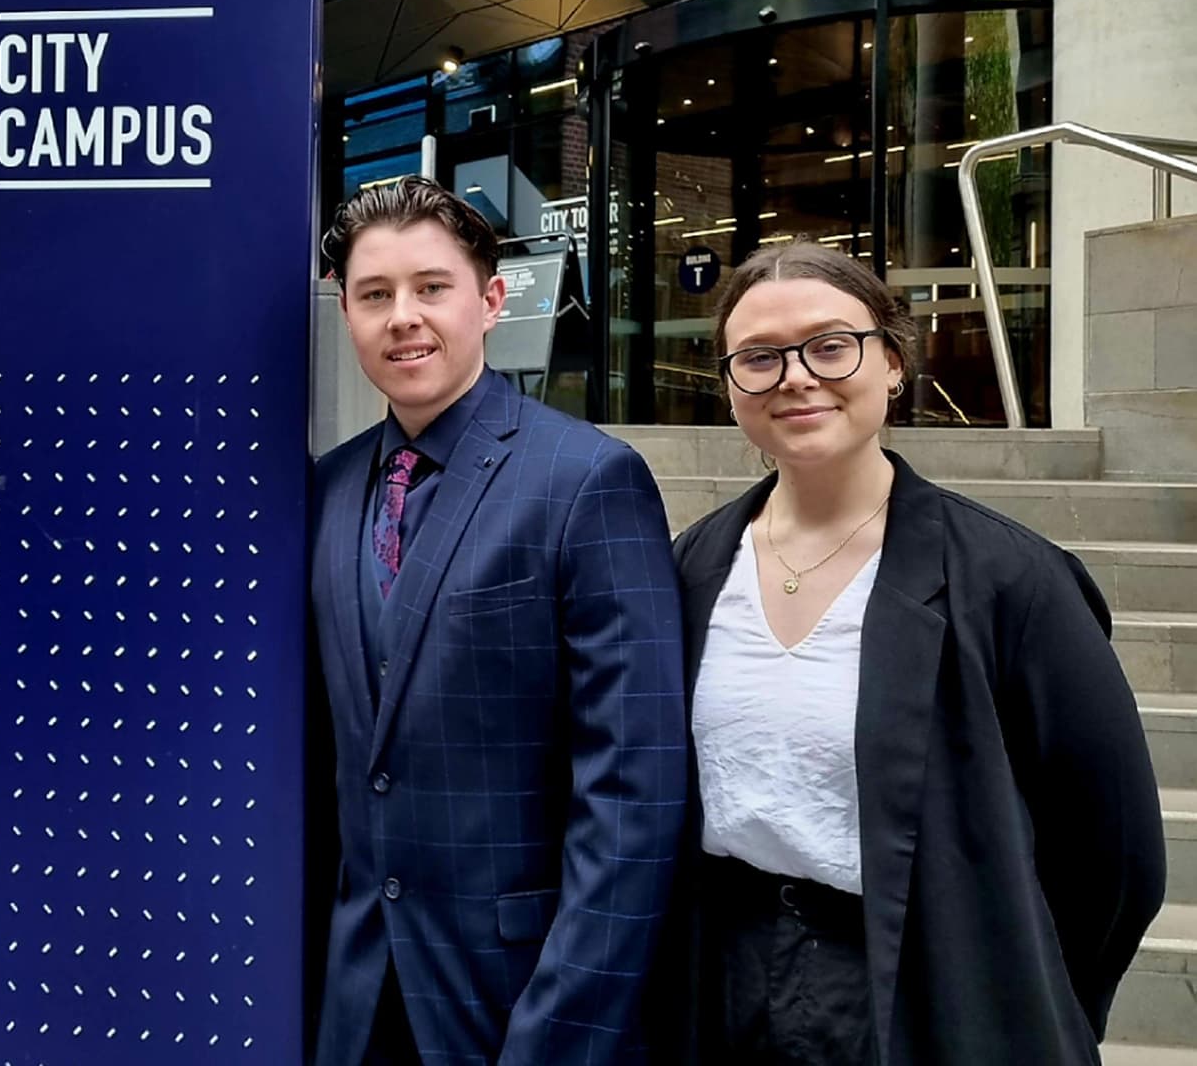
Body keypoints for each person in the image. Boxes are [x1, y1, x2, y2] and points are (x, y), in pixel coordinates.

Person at [654, 242, 1165, 1064]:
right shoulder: (691, 568)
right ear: (729, 385)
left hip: (933, 982)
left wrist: (1018, 990)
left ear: (891, 361)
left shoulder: (1009, 579)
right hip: (722, 980)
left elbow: (1115, 851)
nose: (795, 376)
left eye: (830, 345)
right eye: (758, 358)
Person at [308, 175, 688, 1065]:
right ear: (347, 312)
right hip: (358, 1001)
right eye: (375, 295)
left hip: (519, 1001)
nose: (403, 316)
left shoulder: (587, 480)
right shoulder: (326, 487)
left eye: (431, 288)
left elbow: (634, 792)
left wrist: (559, 1034)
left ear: (489, 301)